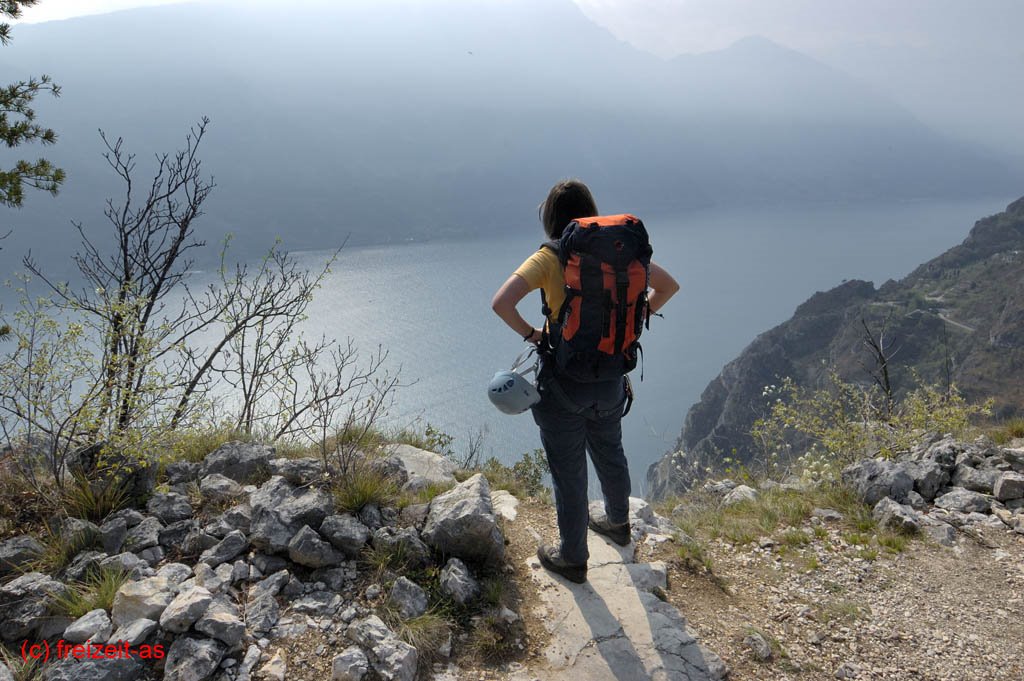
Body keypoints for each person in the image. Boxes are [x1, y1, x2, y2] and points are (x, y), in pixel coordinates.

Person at [490, 179, 680, 583]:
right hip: (612, 376)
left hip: (563, 383)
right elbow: (668, 286)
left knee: (569, 471)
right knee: (611, 453)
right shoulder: (620, 253)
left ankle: (573, 557)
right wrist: (636, 317)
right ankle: (617, 522)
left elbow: (501, 303)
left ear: (551, 218)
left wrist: (535, 336)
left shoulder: (550, 256)